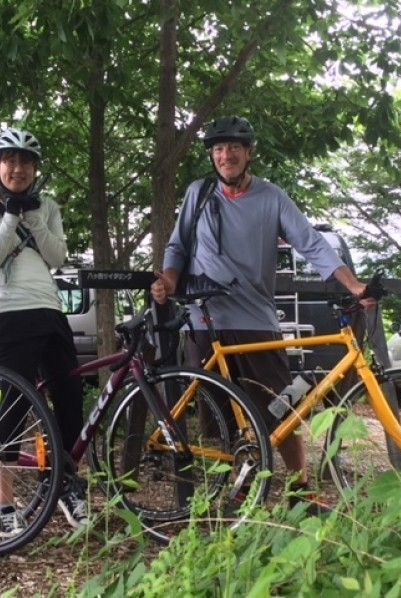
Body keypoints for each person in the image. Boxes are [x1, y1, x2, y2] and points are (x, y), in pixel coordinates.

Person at [151, 116, 374, 512]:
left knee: (281, 407)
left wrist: (353, 285)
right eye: (218, 149)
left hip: (257, 321)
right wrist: (168, 282)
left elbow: (311, 243)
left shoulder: (271, 197)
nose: (226, 155)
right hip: (206, 322)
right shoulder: (198, 194)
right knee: (218, 418)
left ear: (249, 153)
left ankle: (300, 491)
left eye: (234, 147)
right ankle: (230, 498)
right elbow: (177, 247)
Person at [0, 127, 88, 537]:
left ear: (36, 169)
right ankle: (3, 499)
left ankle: (65, 482)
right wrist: (11, 215)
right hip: (6, 312)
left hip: (49, 309)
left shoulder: (48, 206)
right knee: (17, 400)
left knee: (70, 398)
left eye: (26, 162)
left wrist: (34, 215)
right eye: (9, 161)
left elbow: (56, 255)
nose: (17, 168)